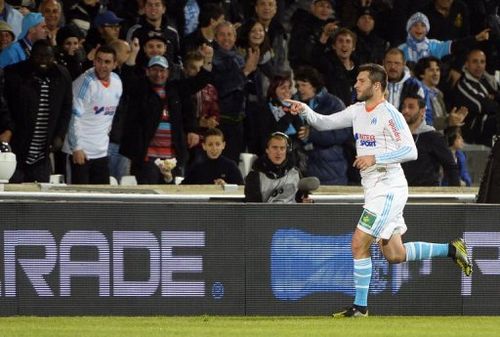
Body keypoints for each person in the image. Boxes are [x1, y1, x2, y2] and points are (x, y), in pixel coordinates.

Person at [286, 63, 473, 317]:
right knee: (395, 254)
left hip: (388, 187)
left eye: (361, 81)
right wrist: (305, 110)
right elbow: (324, 123)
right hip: (374, 188)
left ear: (376, 86)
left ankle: (360, 308)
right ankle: (453, 249)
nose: (355, 85)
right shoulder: (357, 110)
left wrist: (375, 158)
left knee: (358, 244)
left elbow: (411, 151)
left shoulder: (389, 115)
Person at [0, 40, 72, 183]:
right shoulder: (14, 74)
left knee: (40, 199)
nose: (44, 61)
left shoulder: (61, 76)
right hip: (16, 150)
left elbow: (66, 107)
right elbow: (3, 104)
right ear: (31, 55)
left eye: (48, 57)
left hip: (42, 155)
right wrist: (8, 127)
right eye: (39, 56)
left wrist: (60, 134)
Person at [62, 45, 123, 184]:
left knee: (101, 200)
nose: (102, 65)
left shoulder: (118, 82)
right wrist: (76, 148)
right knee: (78, 201)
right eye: (99, 60)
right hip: (80, 152)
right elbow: (73, 117)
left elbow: (110, 116)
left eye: (107, 62)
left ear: (115, 64)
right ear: (94, 61)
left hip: (101, 152)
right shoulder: (85, 83)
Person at [293, 65, 351, 185]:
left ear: (314, 85)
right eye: (298, 85)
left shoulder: (333, 104)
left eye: (304, 85)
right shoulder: (296, 104)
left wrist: (313, 134)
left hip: (330, 167)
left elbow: (343, 133)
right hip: (304, 166)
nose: (300, 89)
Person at [400, 94, 460, 187]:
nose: (405, 111)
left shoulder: (433, 137)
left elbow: (450, 166)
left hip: (426, 196)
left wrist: (455, 195)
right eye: (404, 107)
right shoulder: (395, 136)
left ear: (422, 111)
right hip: (399, 195)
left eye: (411, 107)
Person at [244, 131, 308, 203]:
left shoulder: (296, 173)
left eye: (282, 148)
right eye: (275, 147)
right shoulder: (254, 176)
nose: (278, 152)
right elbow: (253, 208)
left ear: (287, 151)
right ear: (267, 150)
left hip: (291, 214)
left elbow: (300, 200)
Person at [453, 49, 500, 146]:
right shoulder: (463, 84)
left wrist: (494, 98)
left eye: (482, 62)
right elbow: (482, 105)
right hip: (473, 132)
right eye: (475, 61)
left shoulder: (486, 80)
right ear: (466, 64)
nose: (479, 65)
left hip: (488, 126)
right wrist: (493, 100)